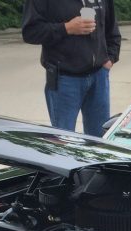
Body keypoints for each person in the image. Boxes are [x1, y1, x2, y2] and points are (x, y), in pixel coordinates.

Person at [22, 0, 121, 137]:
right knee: (63, 142)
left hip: (99, 78)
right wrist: (66, 28)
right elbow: (30, 32)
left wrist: (111, 58)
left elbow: (112, 28)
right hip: (64, 79)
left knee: (100, 141)